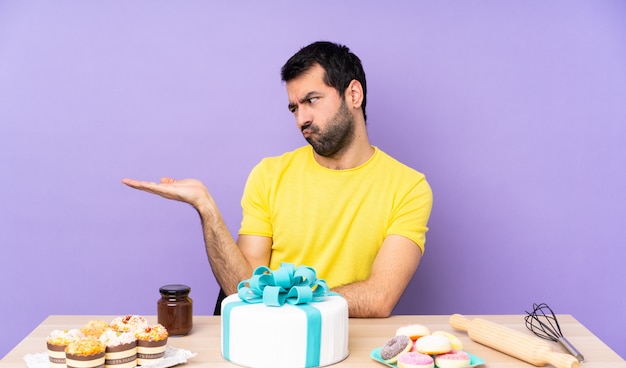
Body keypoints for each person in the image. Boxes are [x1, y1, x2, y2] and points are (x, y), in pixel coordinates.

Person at [122, 41, 432, 318]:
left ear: (353, 94)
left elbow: (379, 298)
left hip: (345, 348)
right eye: (294, 108)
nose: (301, 119)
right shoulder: (270, 175)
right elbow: (242, 287)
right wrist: (207, 210)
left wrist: (284, 303)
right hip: (269, 344)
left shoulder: (408, 187)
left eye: (312, 100)